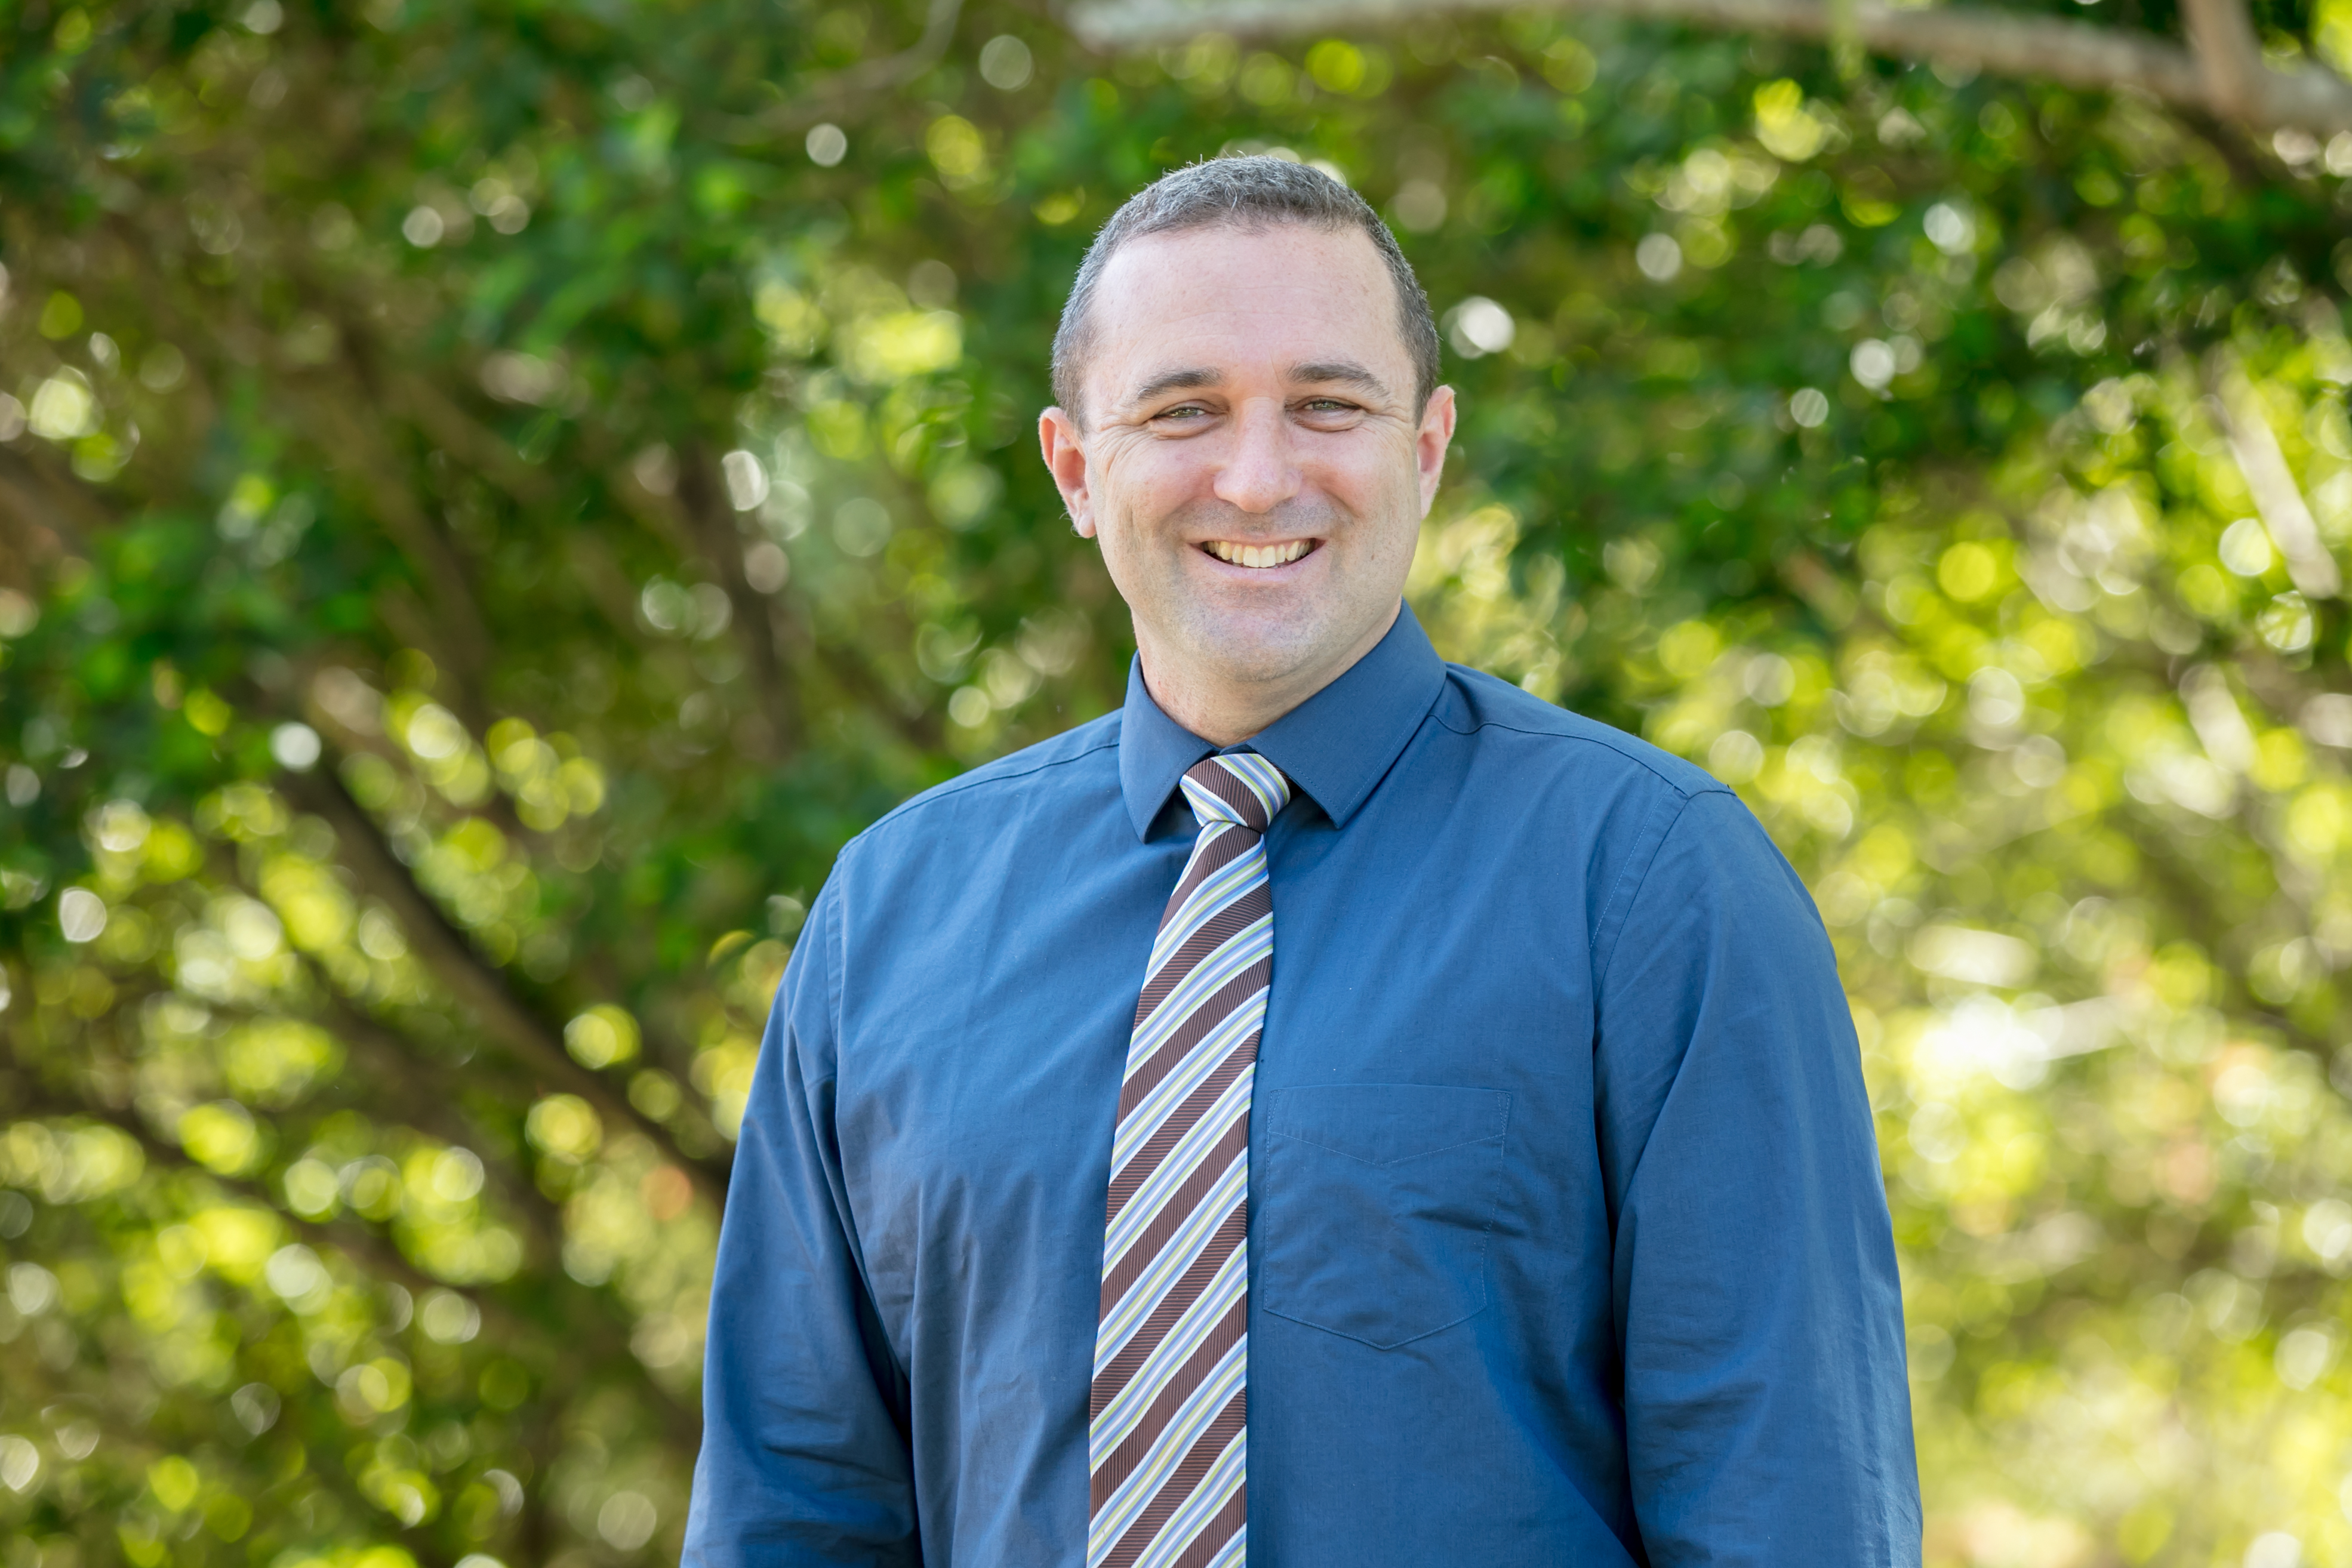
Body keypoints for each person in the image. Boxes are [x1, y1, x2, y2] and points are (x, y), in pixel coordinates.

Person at [682, 155, 1920, 1567]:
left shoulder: (1653, 886)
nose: (1257, 475)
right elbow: (793, 1512)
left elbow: (1785, 1506)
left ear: (1428, 449)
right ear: (1077, 470)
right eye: (1182, 410)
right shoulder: (887, 920)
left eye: (1326, 405)